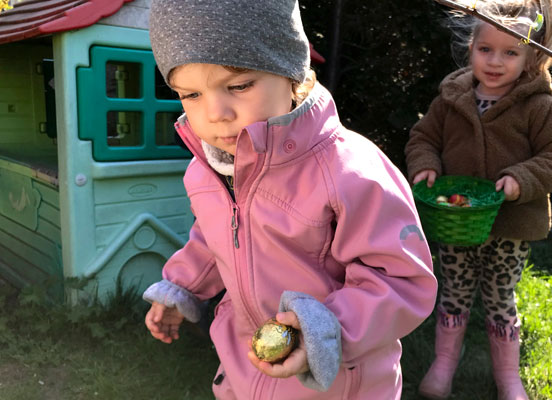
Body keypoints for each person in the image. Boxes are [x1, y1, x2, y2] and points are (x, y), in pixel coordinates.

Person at [142, 1, 438, 399]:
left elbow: (401, 279)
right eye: (190, 94)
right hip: (242, 373)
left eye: (239, 85)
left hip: (336, 383)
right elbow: (215, 237)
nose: (216, 113)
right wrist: (181, 288)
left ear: (291, 74)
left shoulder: (348, 171)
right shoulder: (208, 169)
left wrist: (322, 332)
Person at [404, 0, 552, 399]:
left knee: (500, 295)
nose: (496, 62)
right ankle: (444, 364)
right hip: (456, 222)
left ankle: (508, 377)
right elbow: (423, 137)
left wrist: (522, 179)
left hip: (509, 227)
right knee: (454, 289)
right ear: (470, 49)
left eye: (510, 52)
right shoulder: (451, 98)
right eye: (486, 50)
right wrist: (426, 165)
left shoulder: (537, 105)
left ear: (531, 56)